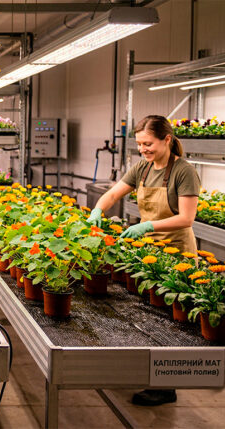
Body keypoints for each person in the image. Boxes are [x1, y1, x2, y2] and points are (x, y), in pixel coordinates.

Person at [86, 114, 201, 406]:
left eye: (148, 143)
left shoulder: (183, 171)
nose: (143, 150)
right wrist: (97, 209)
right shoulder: (143, 168)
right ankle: (152, 373)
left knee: (173, 320)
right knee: (150, 314)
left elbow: (186, 217)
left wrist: (147, 225)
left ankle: (166, 385)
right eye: (139, 145)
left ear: (166, 139)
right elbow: (113, 193)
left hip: (178, 253)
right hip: (151, 253)